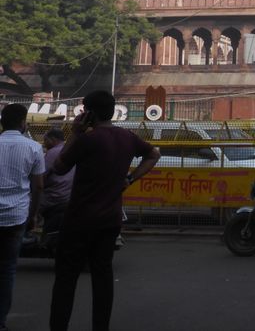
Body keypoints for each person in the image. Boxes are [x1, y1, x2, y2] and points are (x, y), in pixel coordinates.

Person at [49, 90, 160, 331]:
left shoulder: (88, 140)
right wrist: (130, 179)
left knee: (66, 280)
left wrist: (75, 134)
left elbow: (58, 167)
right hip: (109, 220)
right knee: (103, 279)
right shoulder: (127, 137)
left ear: (89, 113)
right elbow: (154, 154)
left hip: (78, 220)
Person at [0, 103, 44, 331]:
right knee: (6, 270)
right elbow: (38, 187)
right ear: (22, 123)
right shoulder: (33, 148)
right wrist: (33, 215)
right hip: (16, 216)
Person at [40, 128, 75, 232]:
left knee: (50, 232)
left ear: (53, 139)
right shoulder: (70, 150)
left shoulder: (52, 152)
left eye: (46, 140)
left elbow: (42, 175)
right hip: (68, 197)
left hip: (54, 198)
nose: (44, 143)